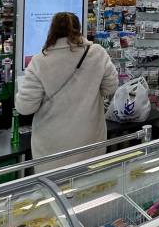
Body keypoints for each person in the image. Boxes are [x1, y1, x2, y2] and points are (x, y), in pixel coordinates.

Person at [15, 12, 118, 170]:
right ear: (78, 29)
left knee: (54, 185)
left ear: (52, 30)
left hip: (52, 148)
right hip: (90, 141)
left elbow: (25, 107)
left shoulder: (39, 61)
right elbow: (110, 87)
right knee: (90, 182)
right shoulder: (97, 53)